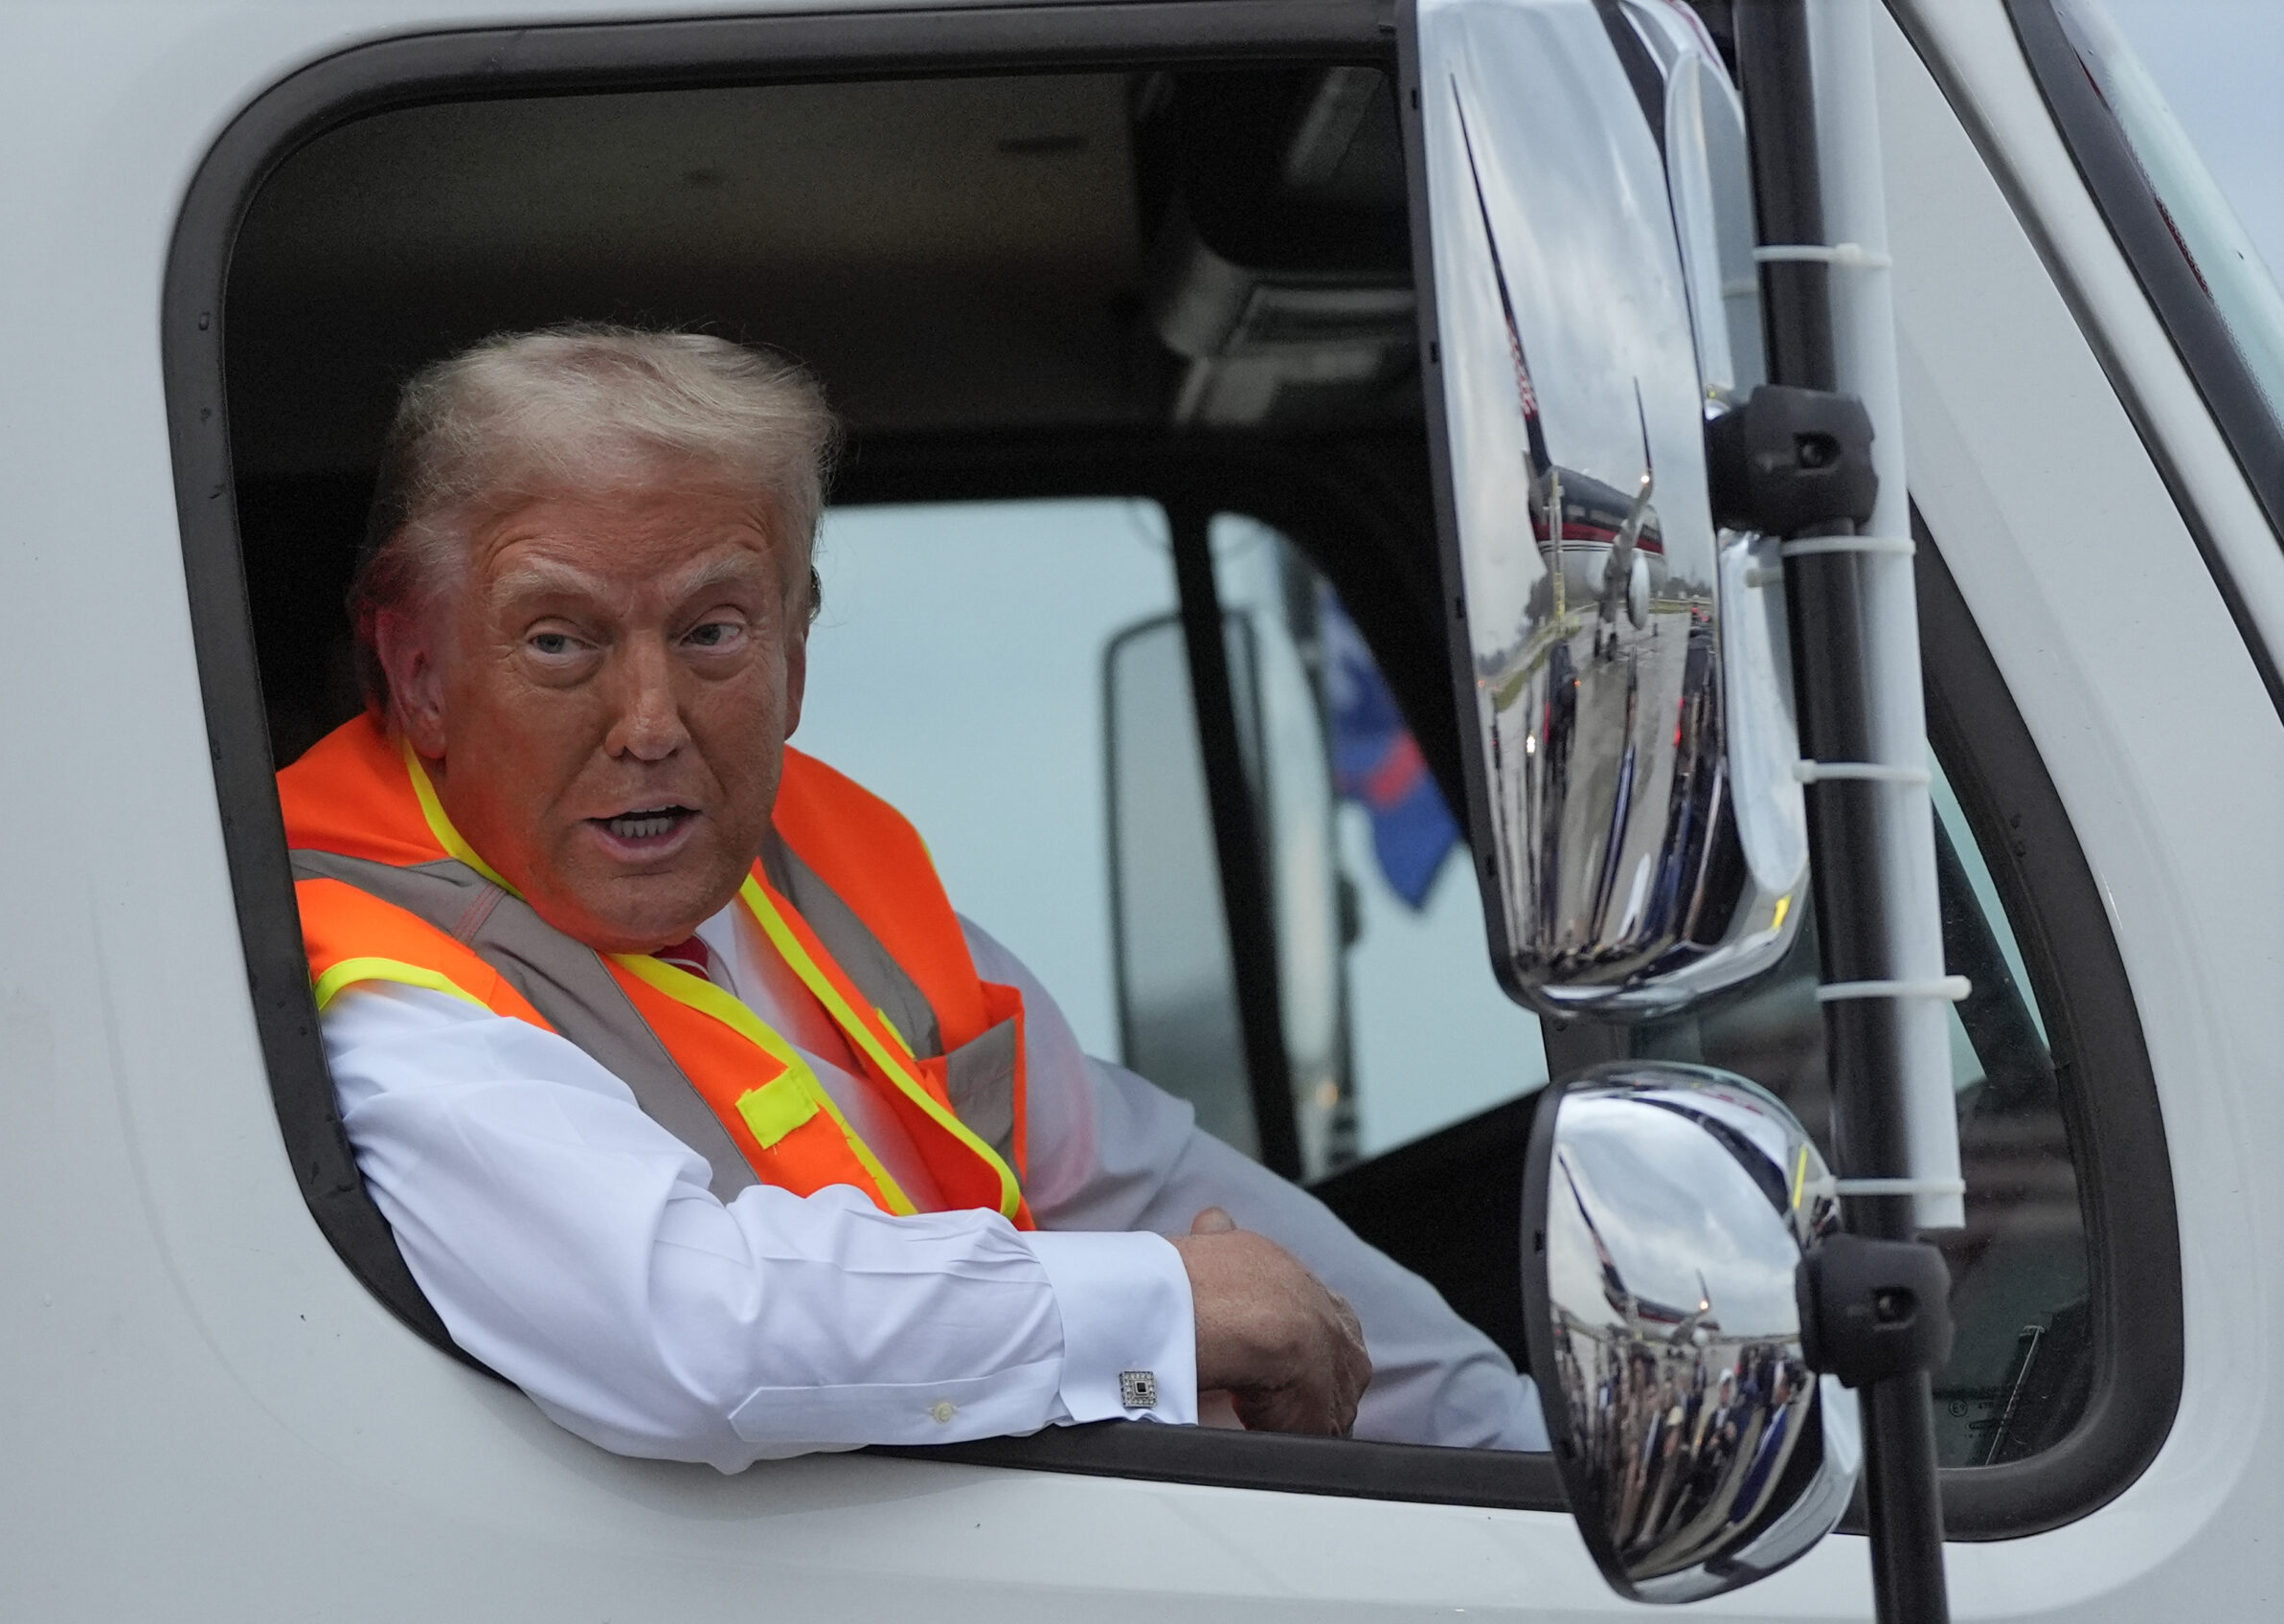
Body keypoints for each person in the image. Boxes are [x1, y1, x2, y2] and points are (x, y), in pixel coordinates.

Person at [283, 324, 1546, 1474]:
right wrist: (1157, 1307)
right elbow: (693, 1332)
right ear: (420, 671)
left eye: (714, 629)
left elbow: (1147, 1181)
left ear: (797, 651)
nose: (651, 723)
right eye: (560, 639)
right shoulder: (373, 978)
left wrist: (1525, 1468)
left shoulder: (828, 879)